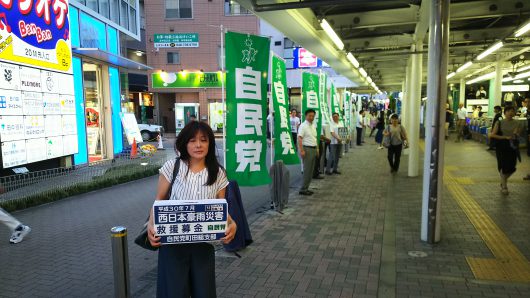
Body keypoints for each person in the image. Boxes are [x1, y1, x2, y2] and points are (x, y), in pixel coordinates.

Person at [147, 121, 237, 297]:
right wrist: (151, 225)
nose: (198, 145)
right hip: (172, 246)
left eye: (203, 140)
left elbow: (221, 209)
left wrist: (232, 224)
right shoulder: (172, 167)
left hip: (203, 246)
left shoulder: (218, 172)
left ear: (210, 143)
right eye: (192, 140)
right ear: (184, 143)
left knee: (204, 292)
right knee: (173, 292)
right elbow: (158, 201)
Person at [489, 106, 523, 195]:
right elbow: (492, 135)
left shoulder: (518, 123)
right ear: (505, 112)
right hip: (502, 146)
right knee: (503, 165)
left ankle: (503, 180)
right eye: (509, 111)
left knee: (512, 167)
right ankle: (504, 186)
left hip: (512, 146)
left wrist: (516, 134)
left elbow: (518, 135)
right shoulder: (499, 122)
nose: (511, 113)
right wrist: (505, 137)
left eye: (513, 111)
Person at [298, 109, 318, 196]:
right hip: (307, 149)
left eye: (313, 116)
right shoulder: (303, 126)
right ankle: (303, 189)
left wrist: (317, 149)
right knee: (307, 170)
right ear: (306, 116)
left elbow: (314, 138)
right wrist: (302, 150)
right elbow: (299, 138)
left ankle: (306, 187)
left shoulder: (313, 125)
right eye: (310, 116)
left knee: (311, 170)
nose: (311, 117)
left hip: (313, 149)